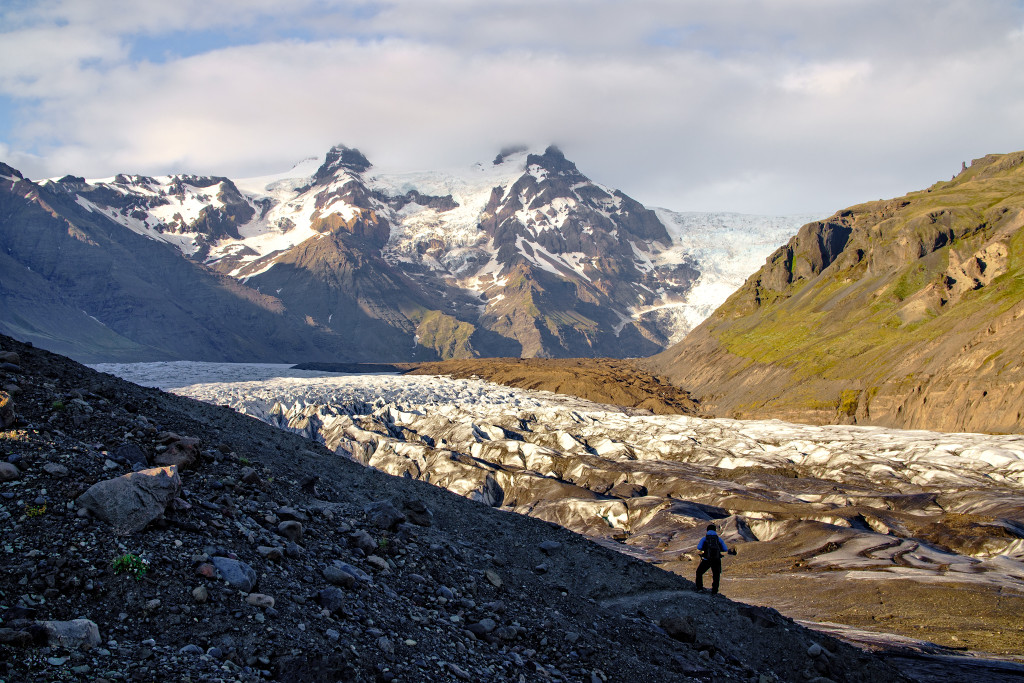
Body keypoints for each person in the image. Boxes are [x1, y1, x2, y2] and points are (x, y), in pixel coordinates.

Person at [694, 523, 736, 595]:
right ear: (715, 530)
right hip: (716, 559)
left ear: (707, 530)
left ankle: (700, 588)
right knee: (716, 575)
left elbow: (699, 547)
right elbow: (725, 549)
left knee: (699, 572)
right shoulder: (718, 539)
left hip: (707, 559)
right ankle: (714, 591)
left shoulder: (705, 538)